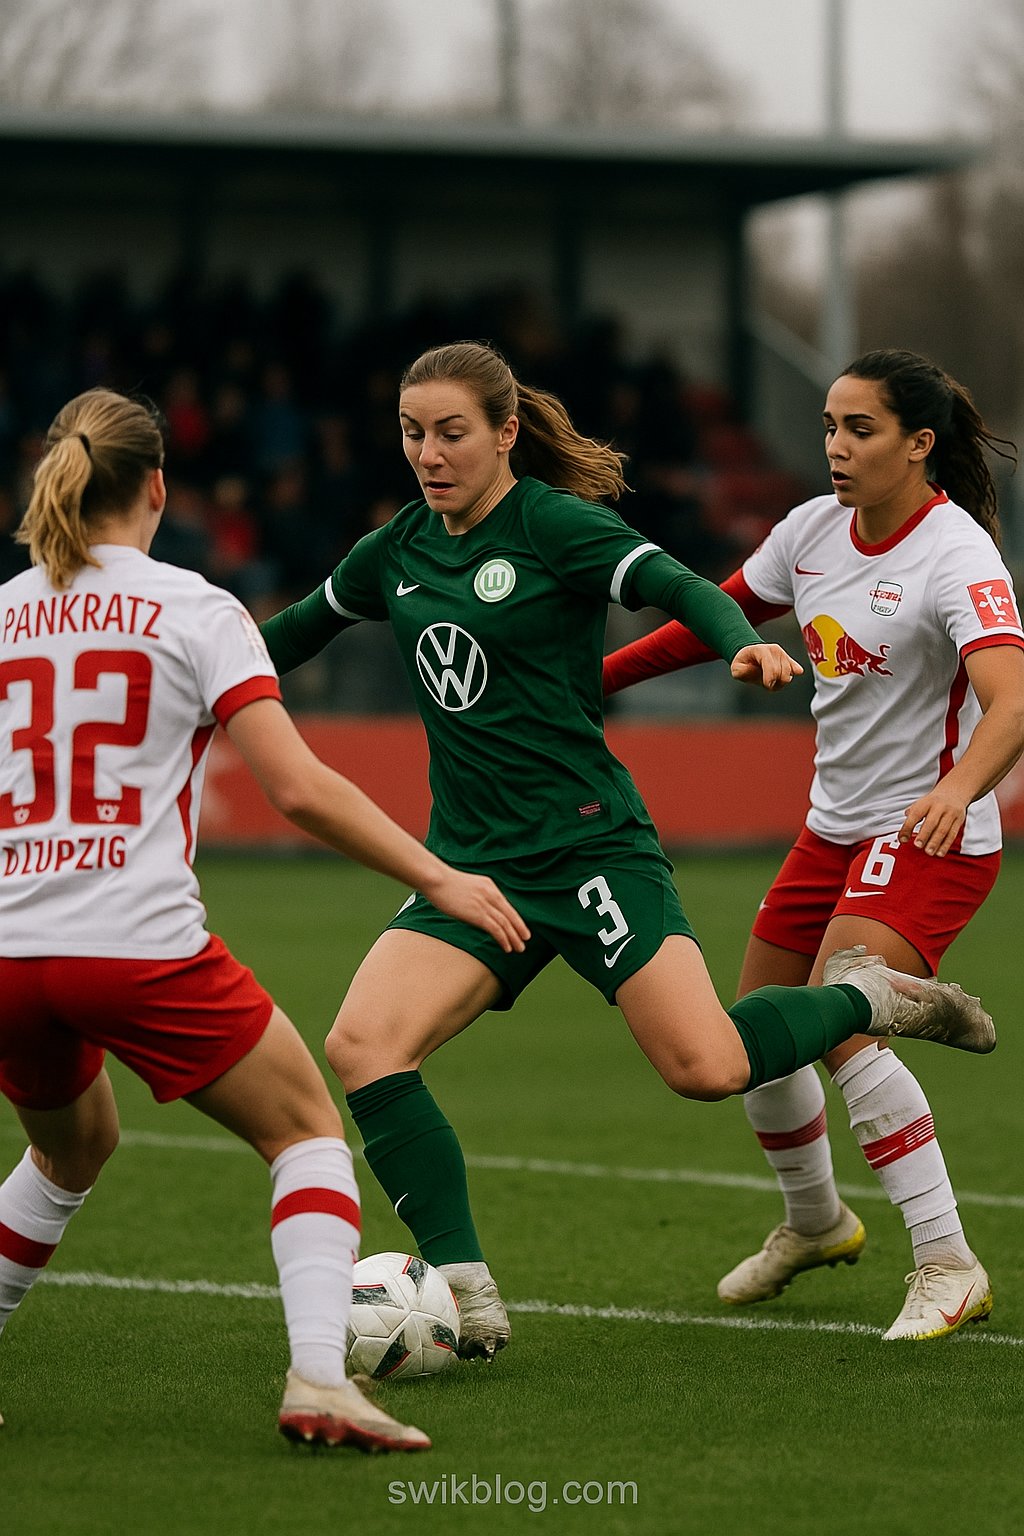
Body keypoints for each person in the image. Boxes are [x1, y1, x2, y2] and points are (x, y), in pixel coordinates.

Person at [259, 340, 996, 1362]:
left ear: (505, 434)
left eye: (451, 432)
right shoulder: (394, 551)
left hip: (592, 855)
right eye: (412, 432)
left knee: (707, 1066)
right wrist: (189, 678)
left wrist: (740, 640)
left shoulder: (557, 526)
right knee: (363, 1048)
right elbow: (286, 639)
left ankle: (868, 1001)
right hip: (473, 867)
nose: (428, 453)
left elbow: (684, 589)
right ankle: (466, 1291)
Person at [0, 386, 531, 1448]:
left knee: (73, 1146)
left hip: (13, 950)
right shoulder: (198, 609)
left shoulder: (9, 608)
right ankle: (319, 1380)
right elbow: (298, 787)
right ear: (159, 487)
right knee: (306, 1132)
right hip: (134, 942)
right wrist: (438, 877)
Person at [603, 348, 1024, 1340]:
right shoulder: (809, 531)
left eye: (860, 429)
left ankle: (949, 1262)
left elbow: (1010, 703)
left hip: (927, 833)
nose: (835, 445)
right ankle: (816, 1222)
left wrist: (956, 788)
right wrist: (593, 684)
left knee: (835, 1016)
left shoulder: (956, 554)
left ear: (918, 445)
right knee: (755, 1031)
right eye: (830, 425)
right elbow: (709, 618)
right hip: (832, 829)